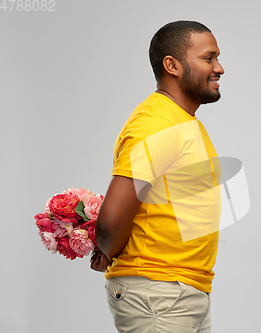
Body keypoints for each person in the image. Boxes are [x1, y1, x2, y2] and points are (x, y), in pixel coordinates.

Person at [90, 20, 225, 333]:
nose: (219, 68)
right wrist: (109, 251)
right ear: (172, 65)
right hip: (158, 294)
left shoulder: (183, 122)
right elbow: (110, 223)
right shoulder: (156, 123)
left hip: (179, 291)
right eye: (209, 58)